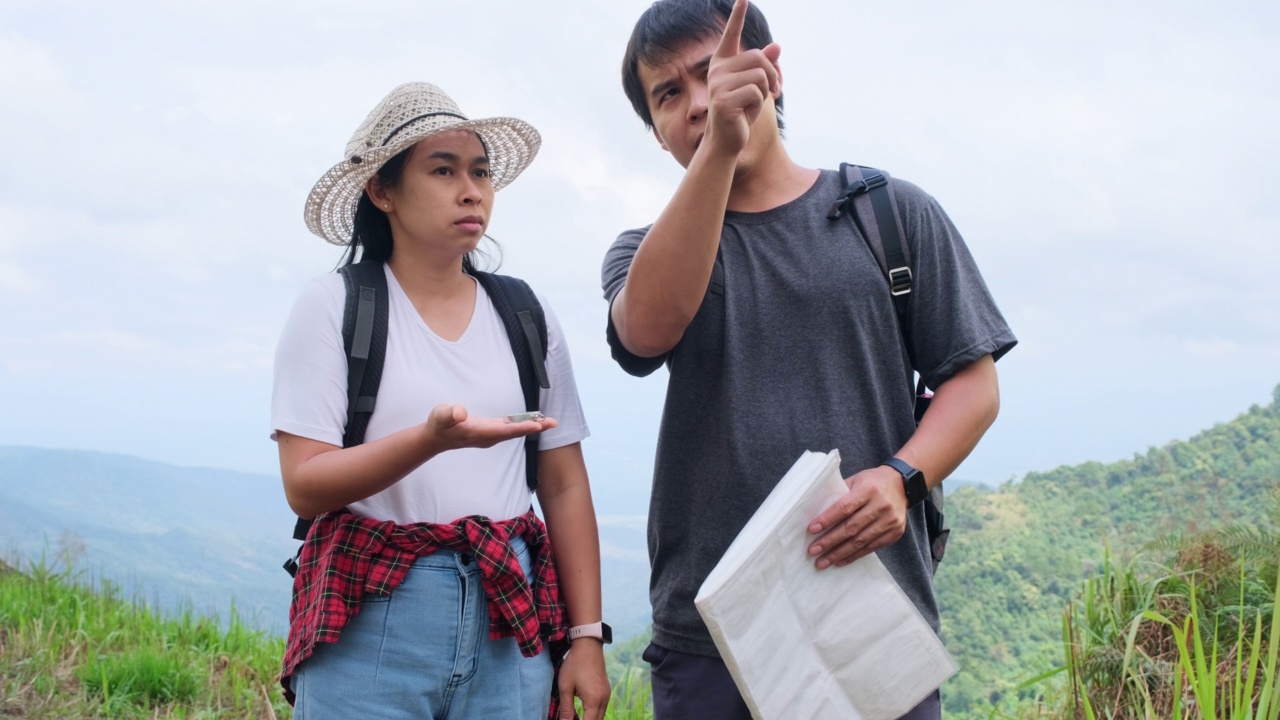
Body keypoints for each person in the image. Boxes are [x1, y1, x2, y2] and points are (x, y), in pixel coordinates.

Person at [601, 1, 1017, 718]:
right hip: (711, 638)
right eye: (668, 94)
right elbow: (645, 333)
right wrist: (719, 154)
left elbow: (972, 383)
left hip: (870, 615)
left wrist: (899, 480)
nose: (698, 102)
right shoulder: (643, 252)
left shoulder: (887, 213)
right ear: (655, 126)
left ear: (771, 72)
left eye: (713, 73)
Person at [272, 82, 611, 720]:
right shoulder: (335, 306)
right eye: (443, 169)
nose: (471, 189)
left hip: (508, 615)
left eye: (480, 171)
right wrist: (430, 440)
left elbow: (563, 483)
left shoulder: (524, 313)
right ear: (383, 192)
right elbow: (305, 484)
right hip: (371, 616)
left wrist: (586, 639)